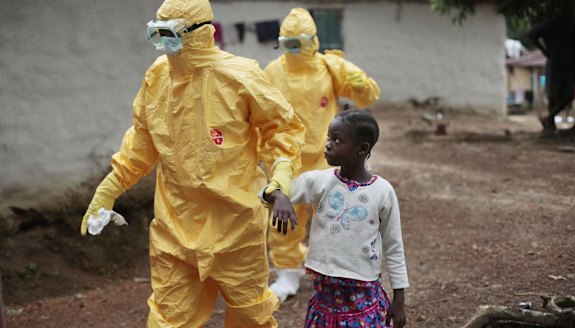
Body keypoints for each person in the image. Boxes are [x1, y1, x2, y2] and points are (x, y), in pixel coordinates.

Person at [79, 0, 305, 326]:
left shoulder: (239, 77)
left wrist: (280, 178)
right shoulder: (158, 77)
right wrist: (111, 186)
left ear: (198, 34)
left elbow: (281, 129)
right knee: (169, 316)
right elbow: (142, 140)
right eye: (156, 33)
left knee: (250, 314)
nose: (163, 45)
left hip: (236, 225)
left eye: (169, 34)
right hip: (175, 226)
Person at [264, 7, 381, 302]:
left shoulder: (330, 66)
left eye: (299, 43)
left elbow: (367, 96)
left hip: (326, 157)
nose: (294, 50)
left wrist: (358, 83)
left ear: (312, 42)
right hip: (287, 160)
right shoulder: (272, 71)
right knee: (284, 219)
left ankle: (338, 270)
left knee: (334, 215)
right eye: (288, 43)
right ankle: (288, 272)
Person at [263, 110, 408, 328]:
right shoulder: (319, 181)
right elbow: (266, 192)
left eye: (337, 140)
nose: (328, 144)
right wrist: (279, 195)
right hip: (324, 297)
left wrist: (399, 300)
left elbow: (394, 247)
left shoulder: (382, 192)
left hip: (362, 297)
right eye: (329, 138)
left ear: (362, 149)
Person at [528, 2, 575, 137]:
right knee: (553, 96)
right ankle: (550, 126)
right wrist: (544, 50)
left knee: (569, 96)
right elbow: (531, 34)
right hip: (555, 65)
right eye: (562, 8)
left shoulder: (572, 26)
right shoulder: (550, 25)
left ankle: (549, 117)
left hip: (569, 66)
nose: (564, 11)